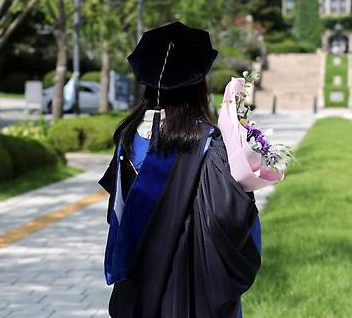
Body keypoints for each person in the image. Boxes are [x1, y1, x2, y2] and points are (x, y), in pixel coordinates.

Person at [98, 21, 261, 318]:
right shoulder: (206, 143)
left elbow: (117, 214)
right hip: (192, 281)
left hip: (138, 277)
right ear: (198, 85)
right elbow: (230, 217)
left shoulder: (126, 138)